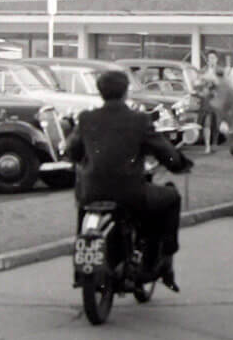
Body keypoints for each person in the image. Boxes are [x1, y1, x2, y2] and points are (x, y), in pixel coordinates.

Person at [65, 69, 191, 289]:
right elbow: (163, 150)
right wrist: (179, 163)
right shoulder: (139, 120)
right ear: (125, 92)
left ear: (100, 92)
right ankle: (156, 260)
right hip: (129, 193)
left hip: (91, 192)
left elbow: (72, 151)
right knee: (170, 198)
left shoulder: (86, 119)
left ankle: (79, 271)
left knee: (83, 209)